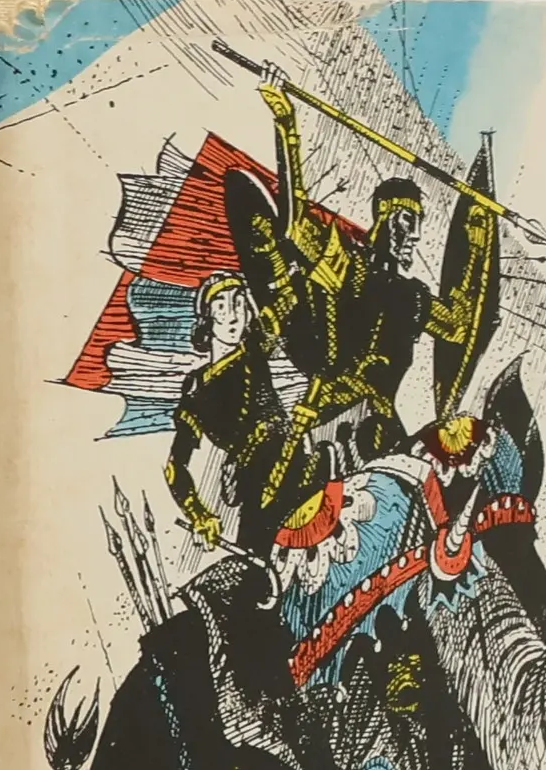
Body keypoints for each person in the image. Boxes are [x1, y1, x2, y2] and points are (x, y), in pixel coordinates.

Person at [227, 66, 494, 477]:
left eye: (418, 223)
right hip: (329, 420)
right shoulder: (347, 266)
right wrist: (285, 123)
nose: (415, 234)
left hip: (382, 428)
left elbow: (459, 325)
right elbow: (295, 222)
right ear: (383, 217)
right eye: (407, 220)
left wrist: (476, 240)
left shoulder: (414, 297)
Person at [162, 270, 327, 555]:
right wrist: (199, 515)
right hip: (255, 485)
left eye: (239, 303)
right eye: (221, 307)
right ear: (207, 319)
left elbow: (289, 299)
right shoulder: (195, 389)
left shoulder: (254, 348)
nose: (233, 316)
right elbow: (175, 467)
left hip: (297, 460)